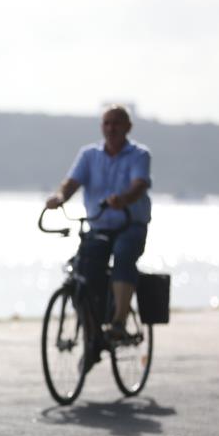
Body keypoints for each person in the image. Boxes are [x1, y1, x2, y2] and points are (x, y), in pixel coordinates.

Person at [46, 105, 152, 361]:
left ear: (128, 127)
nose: (111, 128)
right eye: (106, 123)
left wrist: (124, 199)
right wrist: (60, 197)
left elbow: (139, 185)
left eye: (116, 123)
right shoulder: (89, 155)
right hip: (99, 226)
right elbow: (71, 182)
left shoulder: (139, 155)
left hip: (130, 224)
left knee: (124, 255)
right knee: (83, 273)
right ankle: (92, 338)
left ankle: (118, 322)